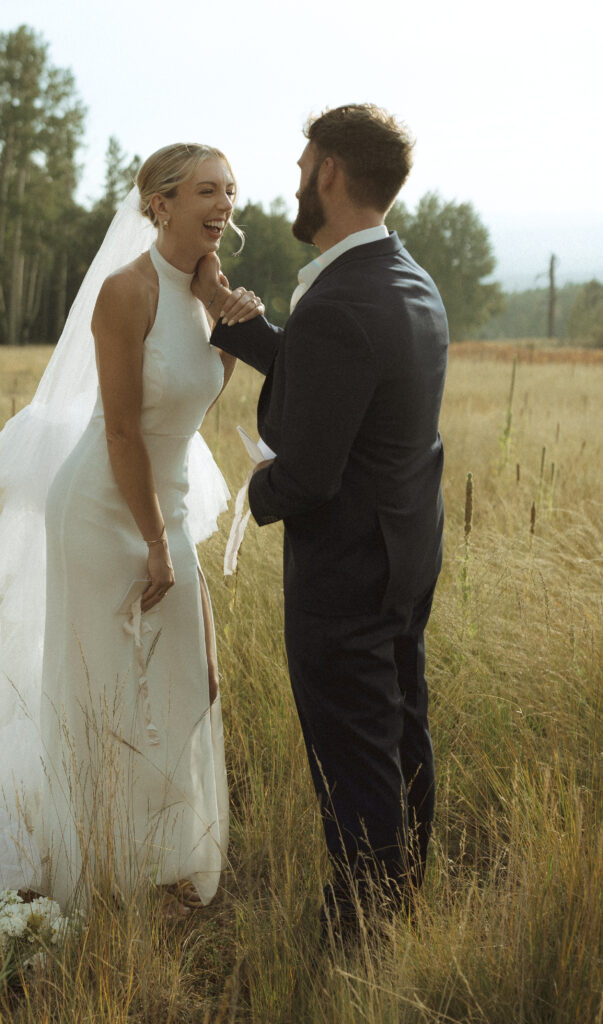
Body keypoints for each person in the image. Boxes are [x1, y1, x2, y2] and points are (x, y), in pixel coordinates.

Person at [0, 143, 263, 962]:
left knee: (189, 672)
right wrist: (155, 543)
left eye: (229, 190)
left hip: (165, 499)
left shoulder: (211, 302)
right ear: (157, 204)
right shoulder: (125, 293)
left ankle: (154, 850)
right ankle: (94, 857)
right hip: (102, 506)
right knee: (100, 684)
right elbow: (122, 429)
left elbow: (189, 411)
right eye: (204, 191)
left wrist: (227, 313)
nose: (222, 203)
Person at [191, 105, 449, 939]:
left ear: (328, 172)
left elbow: (307, 475)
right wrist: (238, 317)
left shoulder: (342, 297)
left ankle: (364, 925)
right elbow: (333, 372)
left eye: (303, 165)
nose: (295, 181)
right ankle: (402, 900)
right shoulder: (402, 277)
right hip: (403, 552)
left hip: (345, 570)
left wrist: (251, 493)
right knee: (399, 725)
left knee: (353, 751)